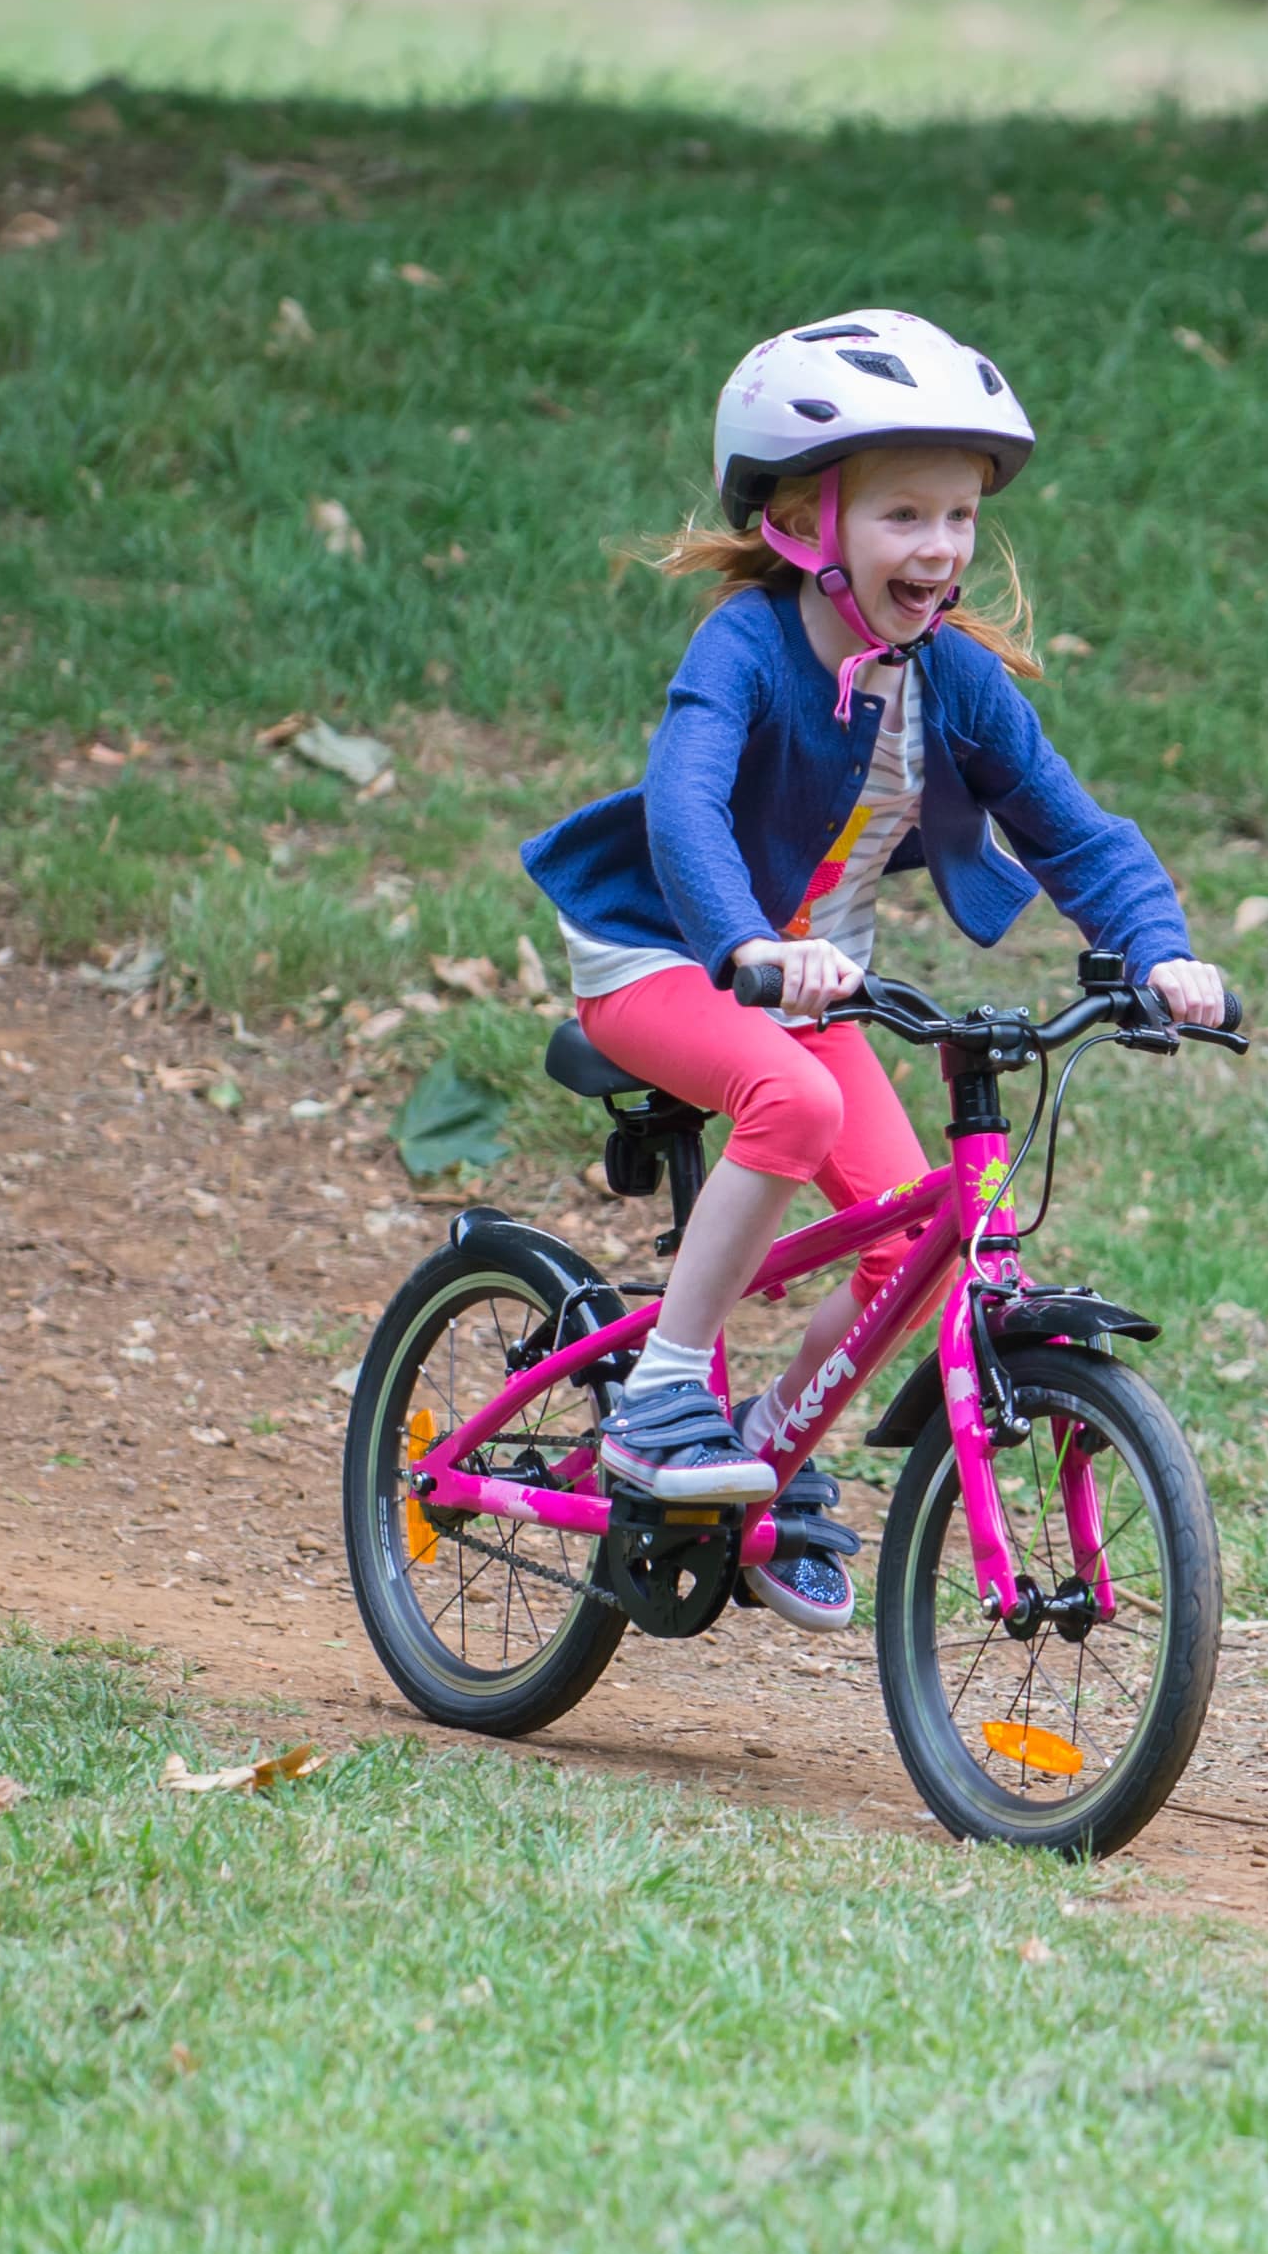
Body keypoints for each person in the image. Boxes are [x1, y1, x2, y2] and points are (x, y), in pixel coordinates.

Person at [520, 307, 1229, 1627]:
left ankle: (769, 1451)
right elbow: (684, 806)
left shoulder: (952, 678)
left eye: (961, 519)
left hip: (812, 974)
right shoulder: (745, 644)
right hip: (665, 954)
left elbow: (1073, 829)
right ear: (807, 521)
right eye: (907, 516)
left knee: (918, 1228)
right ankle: (670, 1383)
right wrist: (745, 944)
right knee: (794, 1104)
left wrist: (1163, 953)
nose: (944, 550)